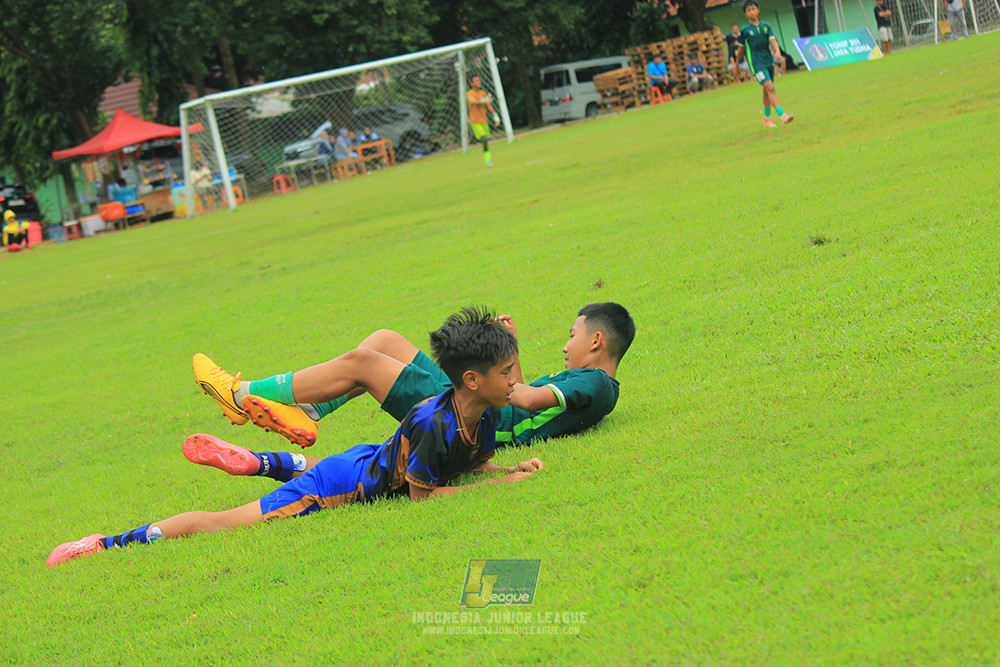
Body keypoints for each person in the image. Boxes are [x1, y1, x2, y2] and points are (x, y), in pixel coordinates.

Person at [46, 307, 544, 567]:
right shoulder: (430, 420)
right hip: (336, 486)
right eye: (506, 372)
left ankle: (263, 458)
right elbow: (424, 496)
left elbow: (470, 462)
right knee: (225, 523)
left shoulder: (487, 411)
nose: (514, 381)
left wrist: (509, 468)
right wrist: (502, 486)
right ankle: (105, 545)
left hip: (363, 462)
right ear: (472, 380)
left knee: (343, 448)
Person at [193, 302, 635, 448]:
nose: (565, 343)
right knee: (383, 341)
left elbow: (521, 399)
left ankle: (240, 393)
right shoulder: (590, 383)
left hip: (479, 422)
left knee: (362, 364)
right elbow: (520, 394)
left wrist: (503, 357)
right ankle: (310, 411)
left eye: (572, 334)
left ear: (596, 341)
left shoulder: (595, 383)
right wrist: (508, 351)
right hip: (486, 410)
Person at [734, 0, 794, 128]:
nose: (751, 12)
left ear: (758, 10)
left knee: (767, 91)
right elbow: (740, 50)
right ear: (745, 14)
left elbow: (773, 41)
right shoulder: (745, 30)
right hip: (756, 65)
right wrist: (736, 66)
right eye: (748, 11)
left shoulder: (766, 26)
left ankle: (767, 120)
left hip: (768, 62)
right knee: (770, 87)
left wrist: (777, 52)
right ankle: (783, 116)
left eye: (753, 9)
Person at [468, 76, 499, 167]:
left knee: (486, 140)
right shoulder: (470, 94)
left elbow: (488, 104)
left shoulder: (483, 93)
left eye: (479, 80)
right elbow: (474, 102)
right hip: (475, 122)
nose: (478, 82)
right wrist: (483, 100)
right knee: (484, 138)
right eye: (476, 81)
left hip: (483, 120)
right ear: (472, 84)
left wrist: (494, 114)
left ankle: (488, 159)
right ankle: (488, 160)